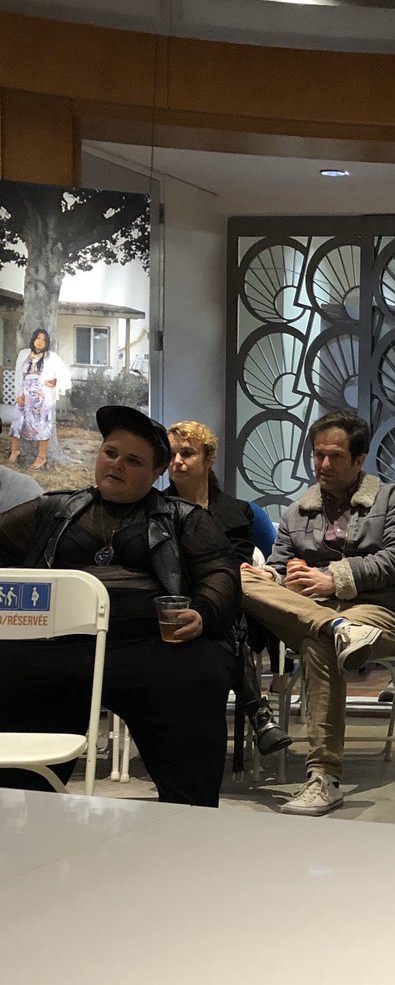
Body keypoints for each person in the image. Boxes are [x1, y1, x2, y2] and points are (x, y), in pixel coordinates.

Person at [0, 406, 240, 805]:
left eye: (133, 461)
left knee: (201, 673)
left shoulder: (185, 518)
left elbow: (221, 572)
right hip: (57, 646)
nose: (117, 465)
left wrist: (202, 611)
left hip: (154, 646)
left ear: (155, 472)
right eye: (110, 453)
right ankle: (24, 813)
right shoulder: (53, 509)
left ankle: (191, 815)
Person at [240, 411, 395, 816]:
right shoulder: (297, 511)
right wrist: (273, 574)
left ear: (359, 460)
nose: (323, 465)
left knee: (318, 642)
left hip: (378, 617)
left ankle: (323, 777)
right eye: (318, 455)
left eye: (335, 456)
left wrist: (331, 577)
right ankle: (337, 626)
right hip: (317, 614)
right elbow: (282, 565)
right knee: (238, 580)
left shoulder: (391, 499)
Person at [165, 420, 291, 757]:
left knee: (230, 612)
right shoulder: (154, 510)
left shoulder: (240, 512)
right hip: (173, 608)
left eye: (187, 454)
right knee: (227, 621)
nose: (176, 461)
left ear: (208, 460)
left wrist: (265, 572)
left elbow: (271, 560)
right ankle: (259, 713)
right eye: (171, 454)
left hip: (232, 610)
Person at [8, 328, 72, 470]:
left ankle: (41, 457)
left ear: (47, 343)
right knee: (17, 420)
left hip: (42, 395)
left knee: (42, 424)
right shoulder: (24, 354)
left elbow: (65, 373)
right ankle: (15, 450)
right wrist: (19, 393)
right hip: (25, 392)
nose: (40, 341)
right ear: (33, 339)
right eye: (38, 338)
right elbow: (19, 375)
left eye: (44, 340)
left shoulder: (52, 357)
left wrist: (55, 382)